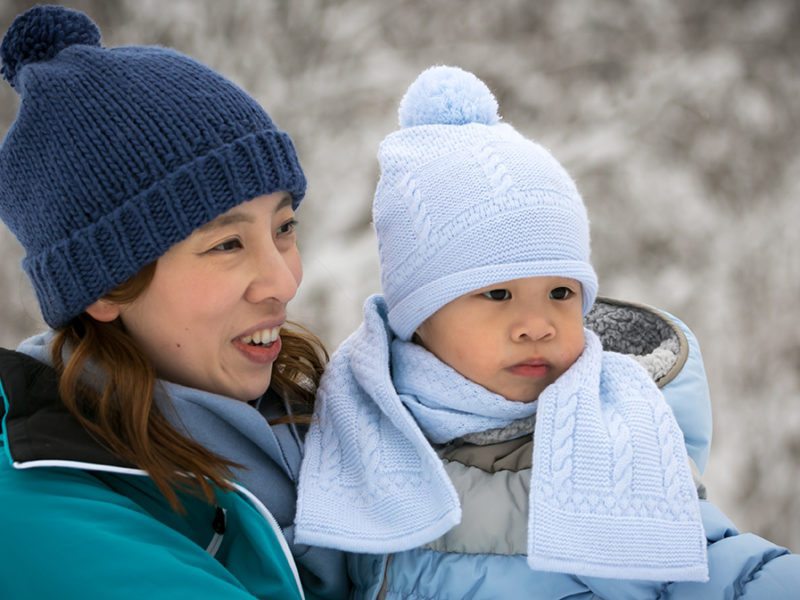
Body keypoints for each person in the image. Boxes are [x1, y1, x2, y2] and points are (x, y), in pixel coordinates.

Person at [294, 65, 800, 598]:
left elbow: (720, 570)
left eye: (561, 294)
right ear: (419, 314)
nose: (536, 325)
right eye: (497, 294)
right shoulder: (351, 432)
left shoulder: (615, 439)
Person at [0, 5, 348, 599]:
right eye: (227, 243)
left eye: (284, 227)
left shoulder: (327, 417)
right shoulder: (44, 516)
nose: (283, 281)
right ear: (108, 286)